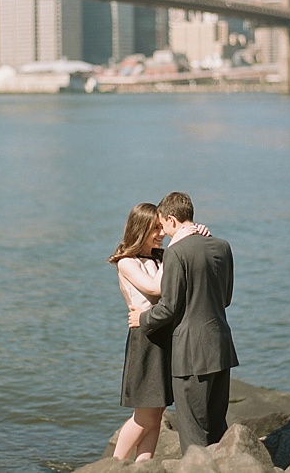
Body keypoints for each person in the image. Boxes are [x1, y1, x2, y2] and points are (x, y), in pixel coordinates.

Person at [128, 191, 238, 454]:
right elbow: (226, 298)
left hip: (191, 355)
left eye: (163, 226)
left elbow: (168, 308)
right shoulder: (223, 246)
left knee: (193, 435)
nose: (163, 234)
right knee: (217, 428)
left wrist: (142, 318)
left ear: (171, 219)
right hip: (221, 347)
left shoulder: (176, 253)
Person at [108, 203, 211, 462]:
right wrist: (178, 243)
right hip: (146, 339)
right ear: (140, 229)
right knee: (144, 415)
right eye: (155, 228)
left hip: (166, 336)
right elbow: (155, 288)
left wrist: (197, 235)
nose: (161, 233)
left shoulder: (161, 257)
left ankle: (144, 466)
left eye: (161, 227)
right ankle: (112, 464)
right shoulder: (126, 262)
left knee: (157, 412)